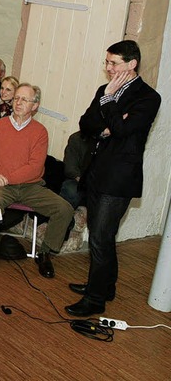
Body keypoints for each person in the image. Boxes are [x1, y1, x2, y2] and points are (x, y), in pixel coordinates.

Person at [65, 40, 161, 317]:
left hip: (119, 178)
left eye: (114, 63)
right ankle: (105, 286)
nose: (108, 68)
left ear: (132, 64)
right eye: (106, 62)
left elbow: (122, 130)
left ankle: (95, 300)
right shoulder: (104, 90)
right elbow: (86, 124)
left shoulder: (148, 97)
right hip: (96, 171)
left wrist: (108, 105)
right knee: (101, 234)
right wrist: (107, 124)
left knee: (101, 237)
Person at [0, 84, 74, 278]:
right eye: (16, 98)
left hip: (30, 186)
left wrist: (5, 179)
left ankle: (45, 253)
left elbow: (35, 168)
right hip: (0, 186)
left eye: (24, 100)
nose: (18, 103)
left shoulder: (40, 132)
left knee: (64, 209)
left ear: (35, 106)